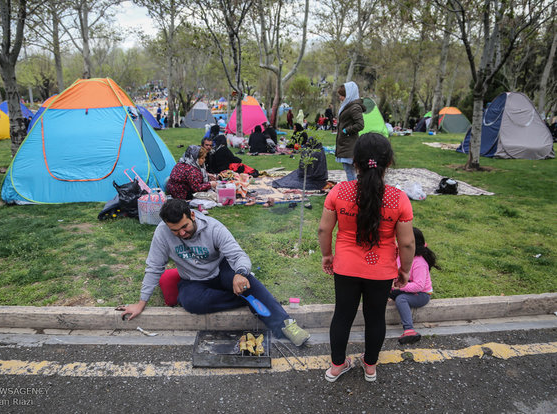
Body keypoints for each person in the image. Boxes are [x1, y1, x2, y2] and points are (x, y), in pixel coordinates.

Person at [118, 198, 310, 346]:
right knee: (191, 303)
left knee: (247, 281)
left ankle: (285, 324)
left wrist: (240, 273)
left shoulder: (214, 227)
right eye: (175, 230)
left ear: (192, 215)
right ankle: (246, 297)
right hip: (193, 279)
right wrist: (141, 303)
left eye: (184, 227)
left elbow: (238, 255)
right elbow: (154, 267)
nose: (181, 234)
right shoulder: (162, 233)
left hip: (221, 270)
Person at [318, 133, 415, 383]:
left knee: (342, 315)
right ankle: (370, 366)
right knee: (375, 317)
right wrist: (404, 270)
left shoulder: (339, 192)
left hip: (346, 267)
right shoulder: (399, 198)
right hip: (381, 270)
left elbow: (324, 230)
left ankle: (337, 366)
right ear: (389, 163)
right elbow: (406, 242)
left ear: (355, 163)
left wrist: (327, 255)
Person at [390, 227, 437, 344]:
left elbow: (419, 286)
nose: (398, 243)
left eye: (401, 241)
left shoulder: (419, 263)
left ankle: (409, 329)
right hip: (407, 287)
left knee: (401, 299)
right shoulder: (403, 255)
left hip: (421, 294)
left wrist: (399, 287)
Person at [335, 82, 366, 181]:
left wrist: (346, 130)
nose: (340, 97)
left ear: (349, 95)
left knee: (349, 169)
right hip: (345, 142)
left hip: (349, 143)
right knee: (349, 169)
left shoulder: (354, 107)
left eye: (342, 95)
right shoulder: (348, 105)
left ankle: (354, 191)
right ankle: (356, 189)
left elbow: (360, 125)